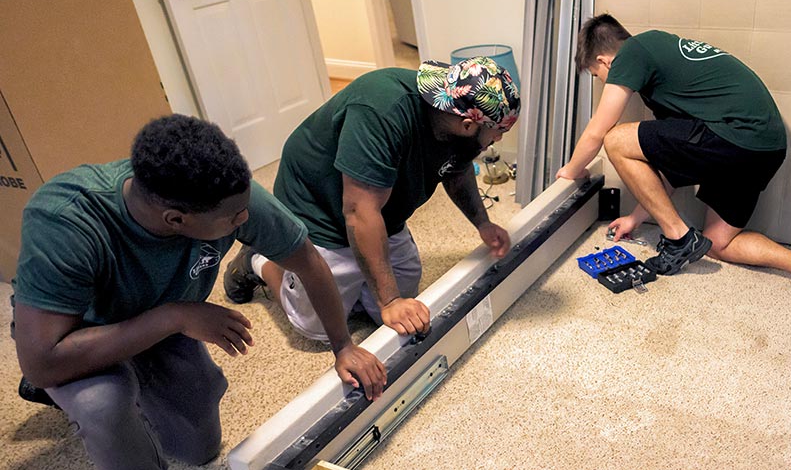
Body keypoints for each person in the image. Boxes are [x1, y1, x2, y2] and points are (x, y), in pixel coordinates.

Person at [11, 115, 387, 470]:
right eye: (234, 218)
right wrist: (176, 316)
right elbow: (41, 362)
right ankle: (81, 389)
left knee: (198, 447)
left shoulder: (226, 193)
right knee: (105, 404)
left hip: (162, 316)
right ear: (175, 220)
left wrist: (343, 346)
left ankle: (138, 371)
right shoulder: (65, 223)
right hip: (84, 332)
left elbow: (307, 261)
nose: (245, 219)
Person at [555, 14, 791, 311]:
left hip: (736, 135)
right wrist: (636, 218)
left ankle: (680, 239)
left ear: (605, 60)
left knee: (616, 140)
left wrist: (570, 173)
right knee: (718, 243)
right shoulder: (668, 75)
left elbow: (598, 130)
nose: (603, 81)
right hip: (764, 147)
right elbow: (672, 167)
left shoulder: (635, 50)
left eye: (597, 75)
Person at [223, 57, 520, 340]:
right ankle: (260, 261)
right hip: (320, 205)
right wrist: (389, 301)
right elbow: (358, 210)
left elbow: (456, 168)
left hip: (381, 203)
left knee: (399, 306)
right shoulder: (382, 111)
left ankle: (354, 280)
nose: (498, 140)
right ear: (468, 124)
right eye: (497, 132)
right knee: (318, 327)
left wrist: (483, 223)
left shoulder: (452, 115)